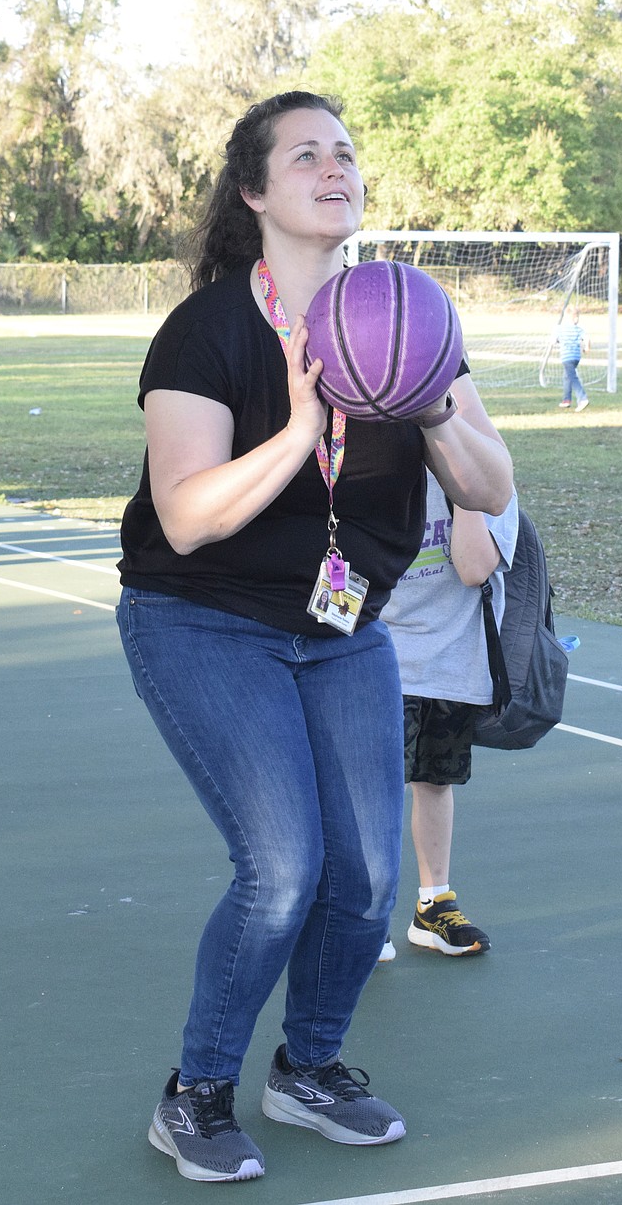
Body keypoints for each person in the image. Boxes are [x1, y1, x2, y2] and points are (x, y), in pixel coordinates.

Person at [115, 90, 513, 1184]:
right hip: (202, 617)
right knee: (281, 867)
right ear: (254, 192)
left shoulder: (406, 315)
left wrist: (430, 406)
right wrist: (302, 427)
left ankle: (310, 1067)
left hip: (341, 628)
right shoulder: (206, 327)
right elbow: (189, 514)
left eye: (345, 153)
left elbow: (490, 482)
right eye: (305, 156)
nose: (334, 169)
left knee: (366, 868)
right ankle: (195, 1092)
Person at [378, 469, 519, 962]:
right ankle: (361, 912)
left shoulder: (488, 476)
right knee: (363, 788)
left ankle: (432, 905)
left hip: (450, 659)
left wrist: (463, 483)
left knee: (434, 782)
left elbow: (473, 567)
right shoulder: (368, 462)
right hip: (375, 651)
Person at [555, 304, 590, 411]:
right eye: (576, 317)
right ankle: (566, 400)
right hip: (576, 357)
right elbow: (587, 338)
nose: (577, 319)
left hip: (567, 357)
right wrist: (587, 347)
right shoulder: (579, 329)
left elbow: (554, 340)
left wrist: (554, 342)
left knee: (573, 377)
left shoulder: (561, 329)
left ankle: (582, 398)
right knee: (567, 376)